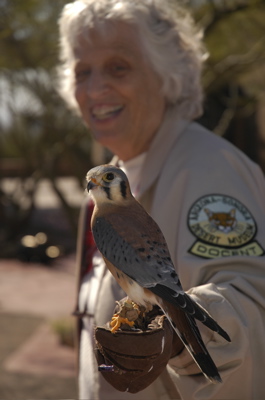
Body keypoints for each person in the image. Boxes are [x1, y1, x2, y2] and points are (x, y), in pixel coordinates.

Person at [57, 0, 265, 399]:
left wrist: (178, 331)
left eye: (119, 67)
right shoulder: (113, 177)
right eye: (83, 71)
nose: (96, 87)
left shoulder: (209, 168)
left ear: (168, 76)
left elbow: (252, 304)